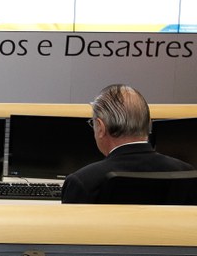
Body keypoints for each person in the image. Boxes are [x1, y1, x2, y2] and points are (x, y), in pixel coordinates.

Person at [61, 84, 193, 204]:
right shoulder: (188, 173)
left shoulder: (83, 182)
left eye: (93, 123)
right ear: (149, 125)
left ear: (101, 128)